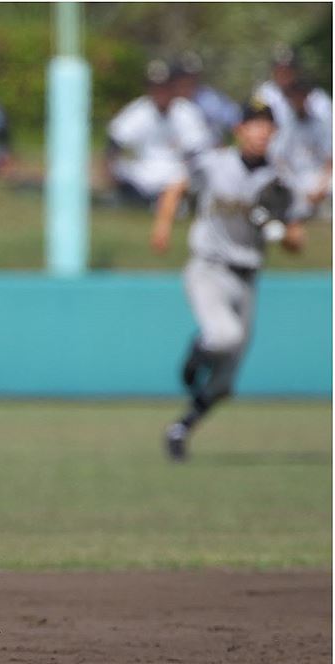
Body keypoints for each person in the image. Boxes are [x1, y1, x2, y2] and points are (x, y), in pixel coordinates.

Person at [151, 102, 306, 461]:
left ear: (274, 133)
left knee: (224, 384)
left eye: (266, 126)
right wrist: (162, 225)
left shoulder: (281, 179)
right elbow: (176, 187)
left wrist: (278, 230)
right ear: (240, 130)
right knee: (224, 336)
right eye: (253, 124)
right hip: (209, 267)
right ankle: (197, 352)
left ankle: (181, 428)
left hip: (248, 278)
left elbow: (296, 242)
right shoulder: (215, 164)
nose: (260, 131)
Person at [107, 60, 213, 206]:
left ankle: (178, 202)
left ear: (172, 88)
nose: (160, 93)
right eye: (156, 88)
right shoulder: (139, 110)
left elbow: (197, 149)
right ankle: (137, 201)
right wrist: (110, 170)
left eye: (165, 88)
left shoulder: (186, 111)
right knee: (120, 168)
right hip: (143, 172)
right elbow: (115, 140)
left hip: (177, 172)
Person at [269, 78, 332, 218]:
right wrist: (295, 185)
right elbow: (278, 160)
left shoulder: (321, 125)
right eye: (294, 97)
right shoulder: (284, 127)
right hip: (295, 181)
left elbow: (330, 160)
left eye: (301, 96)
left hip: (322, 181)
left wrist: (321, 187)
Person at [253, 46, 332, 134]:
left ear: (297, 71)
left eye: (288, 70)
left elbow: (328, 124)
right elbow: (257, 123)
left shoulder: (315, 96)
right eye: (279, 70)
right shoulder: (264, 93)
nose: (283, 74)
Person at [172, 52, 241, 143]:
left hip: (208, 152)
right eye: (184, 77)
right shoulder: (167, 100)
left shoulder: (209, 99)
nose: (188, 81)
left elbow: (235, 120)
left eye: (192, 76)